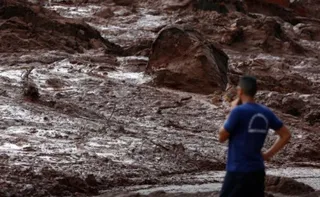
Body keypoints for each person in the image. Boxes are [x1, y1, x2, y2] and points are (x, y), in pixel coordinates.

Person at [218, 76, 291, 197]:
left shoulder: (238, 111)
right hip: (258, 171)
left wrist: (232, 111)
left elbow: (221, 137)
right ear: (255, 91)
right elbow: (286, 135)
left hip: (237, 170)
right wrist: (267, 155)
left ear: (239, 91)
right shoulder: (265, 112)